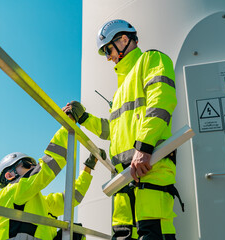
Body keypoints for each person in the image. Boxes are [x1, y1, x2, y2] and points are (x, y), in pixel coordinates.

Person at [65, 19, 179, 240]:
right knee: (123, 235)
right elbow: (112, 131)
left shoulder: (151, 60)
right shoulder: (120, 91)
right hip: (124, 179)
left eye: (108, 49)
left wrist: (144, 147)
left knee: (154, 233)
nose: (108, 57)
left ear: (124, 39)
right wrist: (84, 118)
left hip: (150, 169)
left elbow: (161, 101)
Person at [0, 112, 106, 240]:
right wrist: (68, 124)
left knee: (75, 233)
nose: (33, 167)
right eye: (26, 164)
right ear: (9, 175)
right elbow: (46, 168)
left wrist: (88, 168)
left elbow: (72, 197)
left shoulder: (41, 204)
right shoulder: (11, 193)